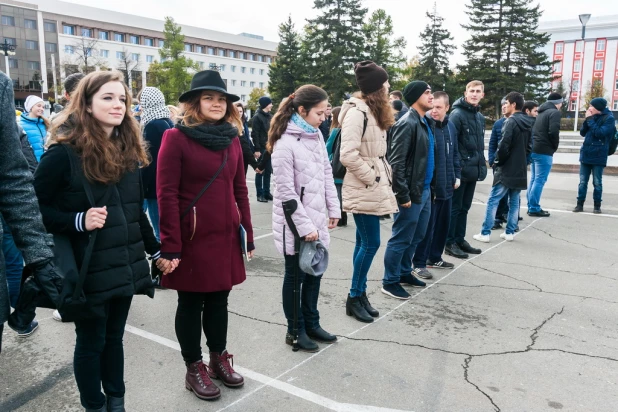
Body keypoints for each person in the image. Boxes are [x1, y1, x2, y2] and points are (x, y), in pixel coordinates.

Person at [33, 70, 168, 411]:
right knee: (91, 343)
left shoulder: (129, 151)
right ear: (87, 104)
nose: (117, 104)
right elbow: (33, 210)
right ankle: (94, 404)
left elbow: (135, 211)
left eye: (122, 98)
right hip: (86, 267)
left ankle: (117, 400)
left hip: (123, 265)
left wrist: (156, 250)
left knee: (114, 339)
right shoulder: (63, 154)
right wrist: (77, 220)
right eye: (107, 97)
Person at [157, 70, 254, 401]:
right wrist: (170, 245)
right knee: (190, 301)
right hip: (191, 237)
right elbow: (166, 194)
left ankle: (218, 359)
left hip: (225, 235)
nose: (216, 103)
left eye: (222, 98)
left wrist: (248, 235)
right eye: (209, 98)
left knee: (219, 299)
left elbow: (240, 188)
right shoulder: (175, 138)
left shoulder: (232, 139)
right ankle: (193, 366)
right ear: (194, 103)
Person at [269, 84, 340, 352]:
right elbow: (285, 192)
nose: (324, 118)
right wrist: (305, 226)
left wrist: (334, 209)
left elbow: (325, 174)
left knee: (314, 274)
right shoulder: (284, 142)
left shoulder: (316, 136)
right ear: (302, 110)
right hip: (295, 224)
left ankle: (312, 323)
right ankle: (294, 330)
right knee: (296, 276)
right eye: (320, 113)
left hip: (317, 219)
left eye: (325, 113)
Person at [338, 61, 398, 320]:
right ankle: (353, 295)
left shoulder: (372, 110)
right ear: (376, 88)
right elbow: (347, 155)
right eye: (385, 83)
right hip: (364, 186)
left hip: (372, 185)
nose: (388, 87)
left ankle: (360, 293)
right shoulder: (357, 112)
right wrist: (372, 177)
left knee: (364, 241)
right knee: (371, 242)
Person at [1, 71, 55, 352]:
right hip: (34, 181)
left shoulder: (1, 85)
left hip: (26, 190)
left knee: (13, 257)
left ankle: (19, 311)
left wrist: (41, 257)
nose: (41, 109)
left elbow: (12, 175)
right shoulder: (26, 124)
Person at [381, 81, 435, 300]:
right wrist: (402, 194)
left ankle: (404, 272)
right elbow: (397, 163)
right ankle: (390, 281)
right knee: (401, 237)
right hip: (411, 193)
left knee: (417, 236)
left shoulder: (422, 121)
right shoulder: (407, 122)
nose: (431, 96)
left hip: (424, 190)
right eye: (427, 93)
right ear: (415, 97)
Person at [411, 91, 461, 280]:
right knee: (426, 227)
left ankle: (435, 256)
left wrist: (457, 175)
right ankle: (419, 263)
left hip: (447, 186)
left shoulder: (451, 127)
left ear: (447, 108)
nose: (434, 111)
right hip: (430, 188)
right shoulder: (426, 127)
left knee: (442, 225)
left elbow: (455, 153)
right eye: (433, 106)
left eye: (439, 107)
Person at [473, 92, 532, 243]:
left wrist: (498, 161)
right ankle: (510, 232)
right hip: (519, 168)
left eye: (507, 102)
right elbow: (530, 147)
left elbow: (504, 145)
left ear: (513, 104)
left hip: (506, 168)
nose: (505, 105)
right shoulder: (529, 121)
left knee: (493, 200)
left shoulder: (510, 121)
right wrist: (523, 162)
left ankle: (485, 233)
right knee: (514, 200)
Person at [444, 80, 487, 259]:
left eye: (478, 91)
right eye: (472, 91)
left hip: (473, 169)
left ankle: (460, 239)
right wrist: (456, 168)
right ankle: (450, 242)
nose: (474, 94)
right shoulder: (457, 114)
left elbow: (478, 145)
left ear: (482, 95)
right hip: (460, 169)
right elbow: (451, 143)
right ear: (466, 92)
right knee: (455, 207)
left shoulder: (479, 117)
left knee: (465, 207)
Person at [140, 86, 174, 244]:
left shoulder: (153, 124)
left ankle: (161, 265)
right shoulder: (166, 121)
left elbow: (150, 160)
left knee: (159, 232)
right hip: (165, 181)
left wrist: (143, 186)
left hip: (154, 184)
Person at [572, 98, 616, 214]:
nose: (589, 108)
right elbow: (582, 132)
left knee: (597, 182)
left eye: (591, 106)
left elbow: (600, 133)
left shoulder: (609, 119)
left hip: (599, 154)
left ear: (597, 108)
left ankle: (597, 205)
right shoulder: (591, 117)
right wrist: (587, 120)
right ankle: (579, 204)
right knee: (582, 182)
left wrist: (590, 119)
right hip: (586, 153)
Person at [528, 92, 563, 217]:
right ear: (558, 103)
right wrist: (554, 146)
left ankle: (531, 205)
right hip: (545, 149)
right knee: (540, 180)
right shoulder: (554, 113)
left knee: (534, 178)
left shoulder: (541, 112)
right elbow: (554, 131)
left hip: (535, 148)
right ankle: (534, 207)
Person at [488, 97, 510, 231]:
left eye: (505, 104)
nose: (503, 107)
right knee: (498, 193)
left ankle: (511, 217)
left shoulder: (518, 122)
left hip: (512, 165)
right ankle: (497, 218)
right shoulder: (498, 124)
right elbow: (492, 144)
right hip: (498, 164)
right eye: (501, 105)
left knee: (513, 194)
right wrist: (491, 160)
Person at [324, 106, 346, 227]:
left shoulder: (336, 131)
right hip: (345, 167)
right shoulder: (347, 130)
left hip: (337, 167)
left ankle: (339, 218)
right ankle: (344, 217)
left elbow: (327, 148)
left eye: (333, 116)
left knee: (338, 193)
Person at [252, 96, 273, 202]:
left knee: (268, 171)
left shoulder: (270, 116)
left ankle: (266, 192)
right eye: (270, 103)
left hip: (269, 148)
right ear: (265, 104)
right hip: (261, 148)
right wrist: (257, 149)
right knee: (260, 171)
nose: (272, 105)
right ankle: (259, 194)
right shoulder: (257, 117)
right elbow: (254, 134)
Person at [19, 95, 49, 162]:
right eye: (39, 106)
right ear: (31, 107)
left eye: (43, 107)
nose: (41, 109)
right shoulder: (21, 125)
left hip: (44, 164)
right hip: (30, 166)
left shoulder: (44, 124)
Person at [234, 102, 259, 175]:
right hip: (237, 155)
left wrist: (253, 150)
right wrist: (254, 164)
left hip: (245, 155)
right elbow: (244, 143)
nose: (239, 113)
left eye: (241, 111)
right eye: (237, 111)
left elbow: (247, 139)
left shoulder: (243, 123)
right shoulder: (233, 125)